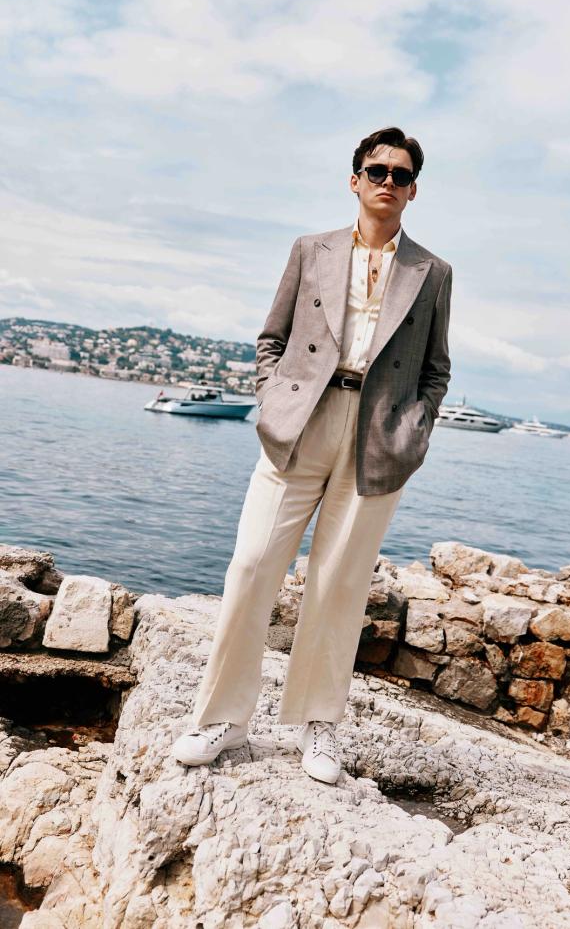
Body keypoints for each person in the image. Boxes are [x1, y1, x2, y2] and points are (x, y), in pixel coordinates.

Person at [172, 126, 453, 784]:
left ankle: (320, 723)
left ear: (413, 192)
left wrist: (414, 429)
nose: (388, 182)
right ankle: (222, 718)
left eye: (401, 175)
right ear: (354, 179)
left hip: (379, 436)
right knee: (252, 564)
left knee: (339, 582)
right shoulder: (310, 250)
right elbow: (271, 338)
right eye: (377, 170)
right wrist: (273, 401)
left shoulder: (432, 273)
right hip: (301, 422)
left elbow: (436, 369)